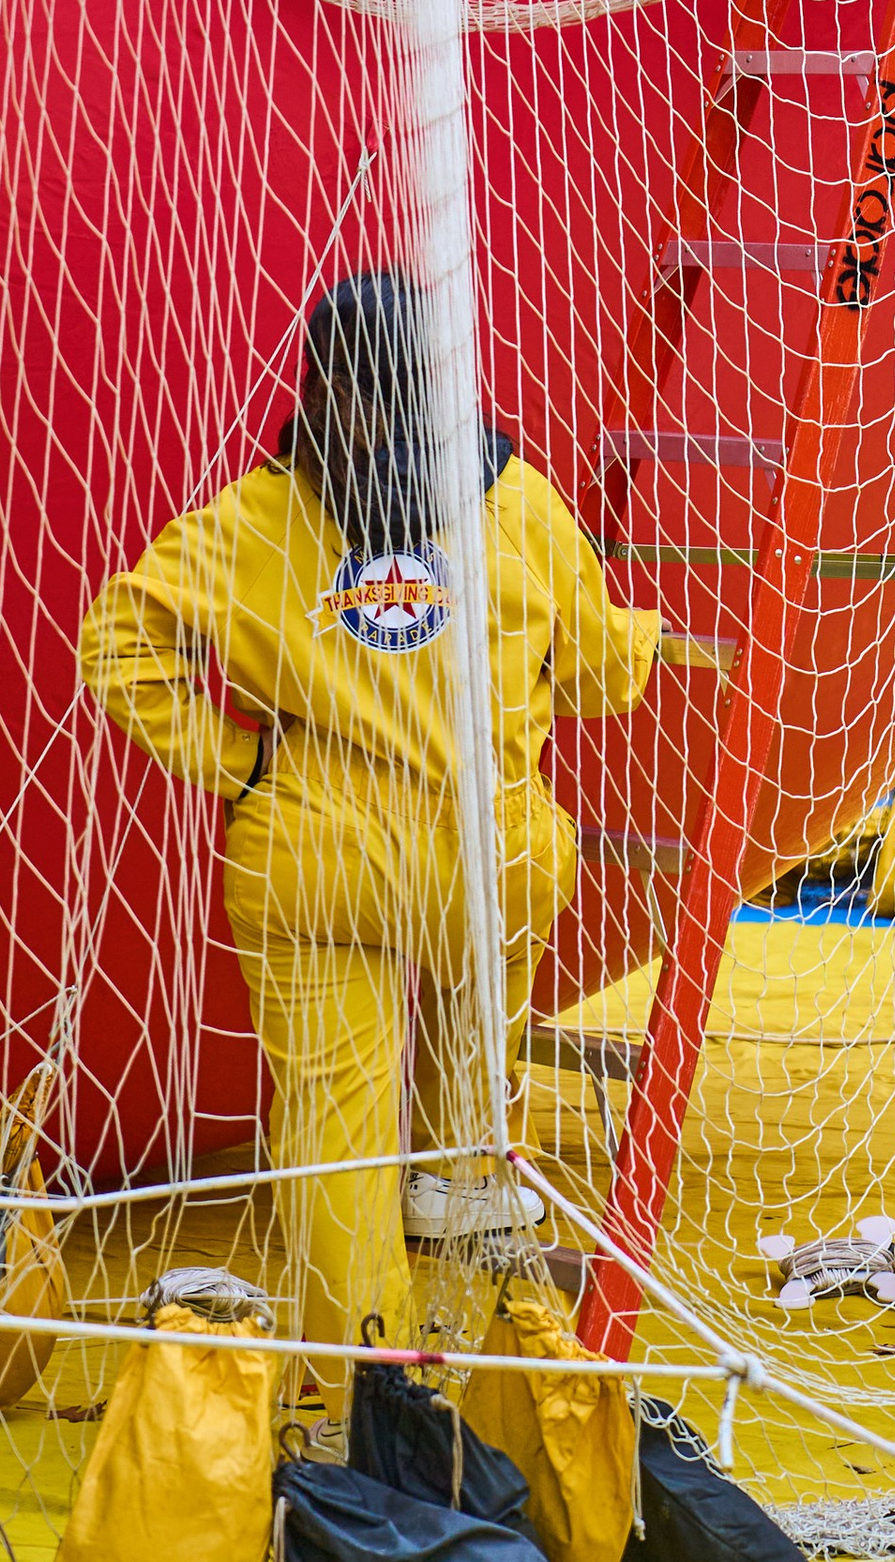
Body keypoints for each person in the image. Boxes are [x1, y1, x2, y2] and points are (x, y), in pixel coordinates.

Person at [79, 271, 663, 1363]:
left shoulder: (254, 518)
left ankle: (361, 1378)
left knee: (332, 1125)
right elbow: (597, 677)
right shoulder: (521, 504)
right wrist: (635, 636)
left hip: (316, 855)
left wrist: (245, 763)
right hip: (488, 856)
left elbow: (118, 643)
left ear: (319, 386)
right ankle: (459, 1198)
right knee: (477, 1028)